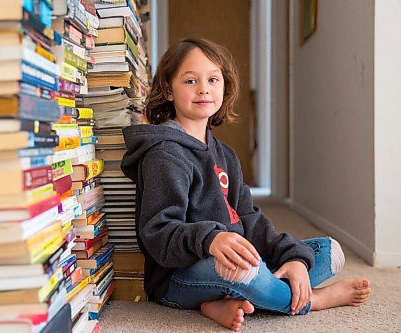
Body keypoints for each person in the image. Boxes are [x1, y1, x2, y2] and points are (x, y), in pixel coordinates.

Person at [120, 38, 371, 332]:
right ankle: (311, 300)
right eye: (190, 80)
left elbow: (249, 218)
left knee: (330, 251)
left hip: (234, 261)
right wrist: (211, 240)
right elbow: (157, 233)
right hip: (178, 276)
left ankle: (224, 301)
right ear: (168, 90)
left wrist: (294, 259)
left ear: (224, 86)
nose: (203, 88)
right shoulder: (165, 153)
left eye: (213, 79)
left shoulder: (224, 154)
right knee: (244, 270)